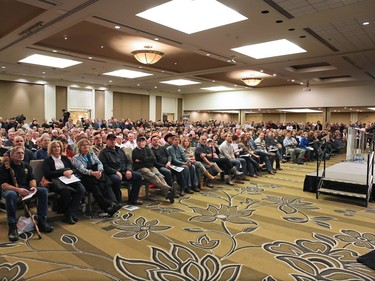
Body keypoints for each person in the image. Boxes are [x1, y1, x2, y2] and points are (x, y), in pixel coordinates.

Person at [0, 146, 53, 242]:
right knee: (10, 195)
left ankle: (42, 220)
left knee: (43, 191)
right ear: (11, 155)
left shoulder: (26, 165)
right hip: (11, 189)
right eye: (18, 153)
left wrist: (33, 187)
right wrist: (18, 190)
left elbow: (32, 179)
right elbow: (4, 185)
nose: (21, 155)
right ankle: (12, 226)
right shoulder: (5, 167)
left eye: (22, 153)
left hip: (26, 188)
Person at [72, 138, 122, 215]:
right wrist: (93, 173)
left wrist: (99, 171)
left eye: (87, 145)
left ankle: (113, 203)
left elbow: (99, 163)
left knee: (107, 184)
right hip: (85, 176)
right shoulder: (76, 158)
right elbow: (81, 169)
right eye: (83, 145)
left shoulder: (92, 154)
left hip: (97, 174)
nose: (86, 146)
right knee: (96, 187)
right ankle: (106, 207)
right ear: (79, 147)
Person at [43, 140, 86, 224]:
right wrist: (62, 172)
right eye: (54, 147)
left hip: (69, 178)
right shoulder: (48, 160)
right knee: (66, 191)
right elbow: (48, 174)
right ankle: (69, 215)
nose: (56, 148)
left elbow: (74, 169)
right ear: (51, 149)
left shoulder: (65, 158)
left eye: (58, 147)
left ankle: (69, 212)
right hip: (56, 181)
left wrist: (70, 172)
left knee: (81, 189)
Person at [99, 134, 142, 205]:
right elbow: (104, 166)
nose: (112, 141)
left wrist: (128, 170)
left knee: (138, 176)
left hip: (124, 171)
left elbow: (128, 162)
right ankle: (117, 201)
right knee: (116, 179)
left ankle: (133, 199)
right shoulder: (103, 152)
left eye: (114, 140)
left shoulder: (120, 150)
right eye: (110, 140)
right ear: (106, 141)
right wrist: (115, 172)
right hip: (112, 173)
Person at [132, 135, 174, 203]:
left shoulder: (148, 149)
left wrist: (144, 160)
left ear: (145, 142)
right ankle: (168, 188)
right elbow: (142, 159)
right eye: (140, 141)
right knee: (153, 176)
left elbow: (152, 158)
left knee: (159, 175)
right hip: (140, 168)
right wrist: (145, 157)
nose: (141, 142)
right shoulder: (135, 151)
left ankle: (167, 192)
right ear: (137, 142)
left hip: (150, 166)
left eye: (143, 141)